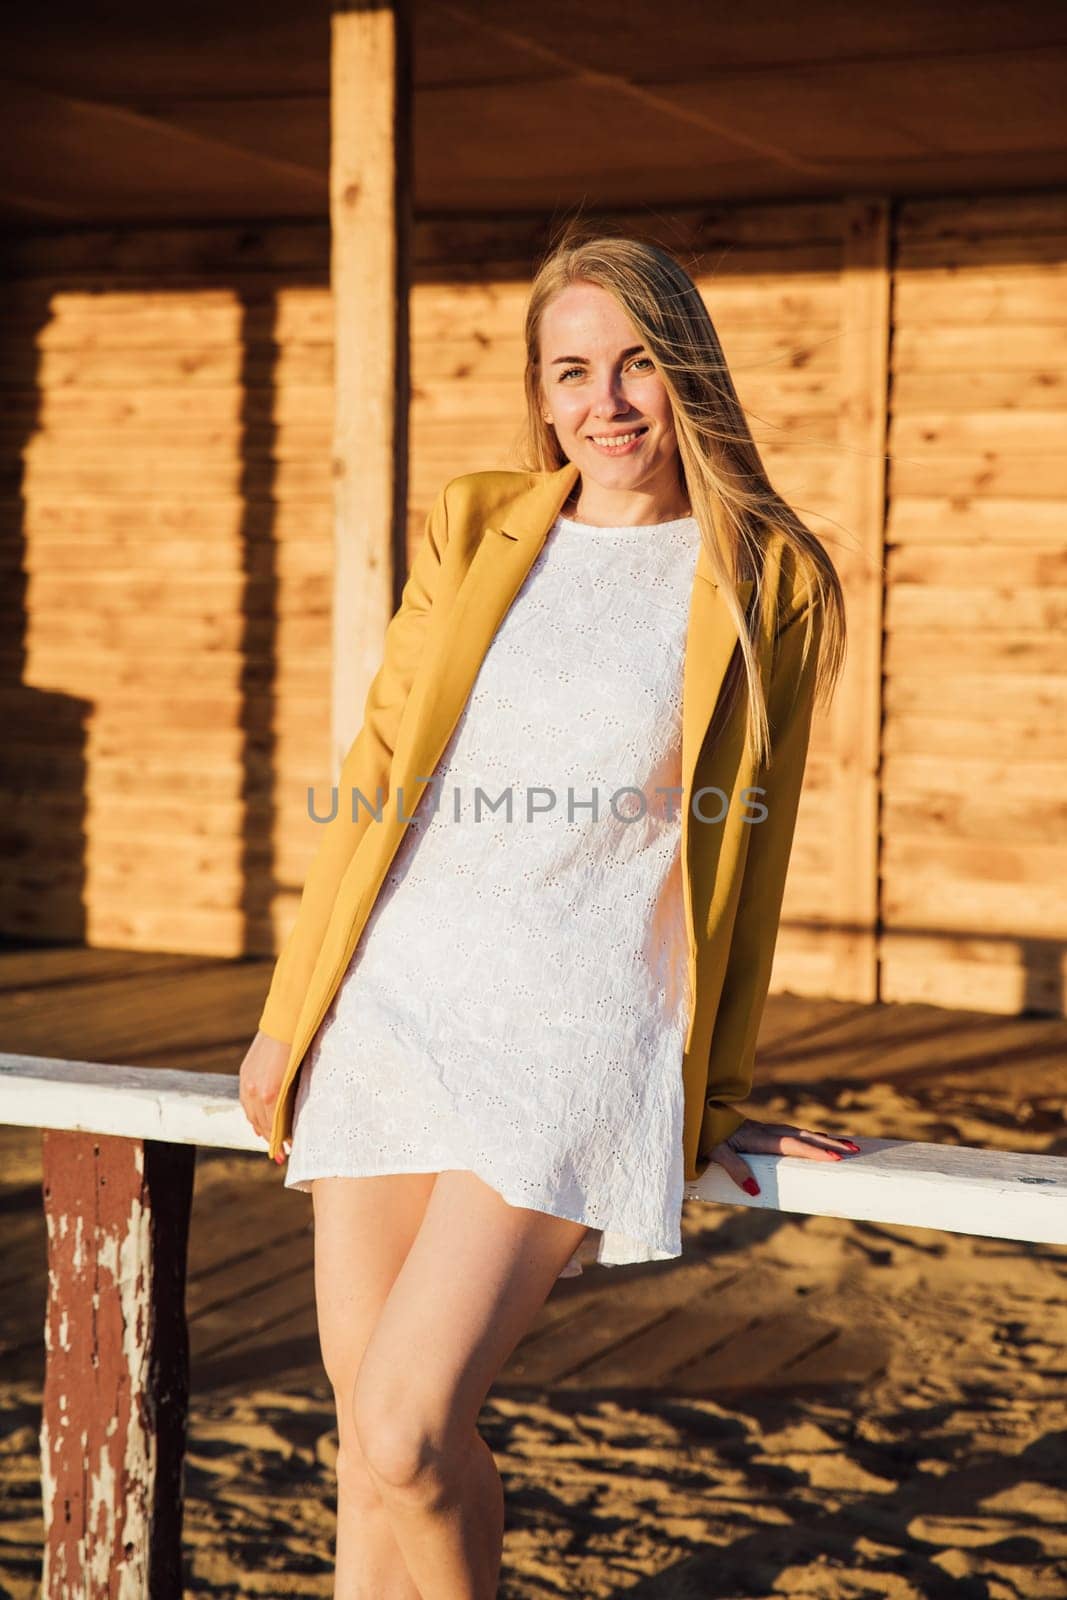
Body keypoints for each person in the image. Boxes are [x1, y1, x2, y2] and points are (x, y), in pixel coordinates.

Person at [238, 228, 852, 1598]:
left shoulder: (766, 576)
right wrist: (294, 1016)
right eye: (573, 371)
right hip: (397, 1006)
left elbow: (746, 865)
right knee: (367, 1443)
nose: (607, 403)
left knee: (406, 1433)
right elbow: (379, 771)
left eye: (637, 365)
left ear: (685, 370)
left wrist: (717, 1084)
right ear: (540, 388)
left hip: (577, 1028)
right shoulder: (476, 528)